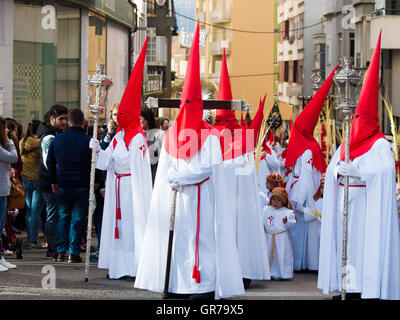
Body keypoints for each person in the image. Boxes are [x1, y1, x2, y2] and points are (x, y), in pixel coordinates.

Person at [135, 23, 244, 300]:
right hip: (177, 201)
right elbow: (166, 166)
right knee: (180, 241)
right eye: (187, 108)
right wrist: (174, 177)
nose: (190, 113)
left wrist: (183, 178)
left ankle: (203, 286)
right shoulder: (171, 135)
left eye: (194, 108)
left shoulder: (210, 137)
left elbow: (211, 168)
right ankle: (177, 284)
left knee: (203, 241)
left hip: (202, 198)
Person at [318, 31, 400, 300]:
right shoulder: (347, 141)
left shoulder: (379, 144)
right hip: (344, 202)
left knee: (361, 248)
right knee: (345, 246)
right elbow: (333, 165)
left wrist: (359, 171)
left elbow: (386, 171)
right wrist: (336, 171)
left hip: (365, 206)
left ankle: (361, 288)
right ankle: (344, 286)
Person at [90, 37, 152, 279]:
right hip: (116, 186)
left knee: (130, 228)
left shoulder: (138, 138)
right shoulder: (118, 135)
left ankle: (133, 266)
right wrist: (98, 149)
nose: (118, 117)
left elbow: (139, 168)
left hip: (131, 189)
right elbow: (107, 162)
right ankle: (117, 266)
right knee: (116, 229)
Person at [213, 49, 269, 290]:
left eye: (224, 121)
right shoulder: (210, 137)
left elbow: (246, 174)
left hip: (238, 201)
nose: (220, 127)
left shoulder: (242, 140)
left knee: (239, 230)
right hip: (221, 200)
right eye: (218, 122)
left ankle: (243, 269)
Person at [284, 66, 338, 271]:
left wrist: (299, 199)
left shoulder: (307, 150)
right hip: (305, 194)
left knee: (302, 232)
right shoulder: (310, 146)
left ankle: (302, 264)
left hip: (305, 197)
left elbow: (307, 178)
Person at [46, 109, 91, 263]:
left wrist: (53, 180)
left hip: (63, 183)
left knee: (63, 217)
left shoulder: (58, 140)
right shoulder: (88, 141)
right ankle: (73, 252)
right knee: (77, 220)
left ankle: (59, 251)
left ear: (69, 122)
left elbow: (49, 162)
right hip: (82, 184)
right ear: (83, 122)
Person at [37, 105, 69, 258]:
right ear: (52, 119)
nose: (64, 122)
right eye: (61, 118)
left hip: (52, 181)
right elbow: (49, 162)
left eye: (66, 118)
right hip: (50, 182)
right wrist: (55, 180)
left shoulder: (55, 134)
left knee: (53, 214)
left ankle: (55, 246)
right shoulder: (49, 137)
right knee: (52, 215)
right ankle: (53, 247)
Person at [20, 120, 44, 248]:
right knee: (35, 211)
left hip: (25, 179)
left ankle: (30, 237)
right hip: (37, 180)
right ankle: (33, 239)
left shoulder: (22, 142)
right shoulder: (39, 142)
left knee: (29, 210)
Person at [263, 187, 296, 280]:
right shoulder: (266, 210)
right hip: (268, 237)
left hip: (282, 238)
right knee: (268, 255)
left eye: (278, 200)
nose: (275, 202)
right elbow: (262, 221)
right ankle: (269, 273)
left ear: (283, 202)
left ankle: (283, 274)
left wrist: (287, 221)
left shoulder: (287, 212)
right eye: (273, 199)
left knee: (281, 256)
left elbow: (292, 223)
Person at [0, 117, 18, 271]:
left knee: (0, 226)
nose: (8, 131)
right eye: (5, 128)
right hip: (0, 190)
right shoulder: (3, 146)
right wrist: (10, 142)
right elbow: (13, 157)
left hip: (3, 189)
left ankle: (0, 257)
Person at [302, 174, 324, 271]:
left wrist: (303, 209)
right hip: (319, 229)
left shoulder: (322, 202)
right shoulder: (319, 201)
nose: (323, 190)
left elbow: (310, 215)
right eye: (322, 187)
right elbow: (312, 214)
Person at [140, 108, 165, 184]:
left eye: (140, 119)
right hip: (143, 172)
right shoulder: (138, 136)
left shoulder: (160, 134)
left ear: (147, 119)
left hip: (157, 171)